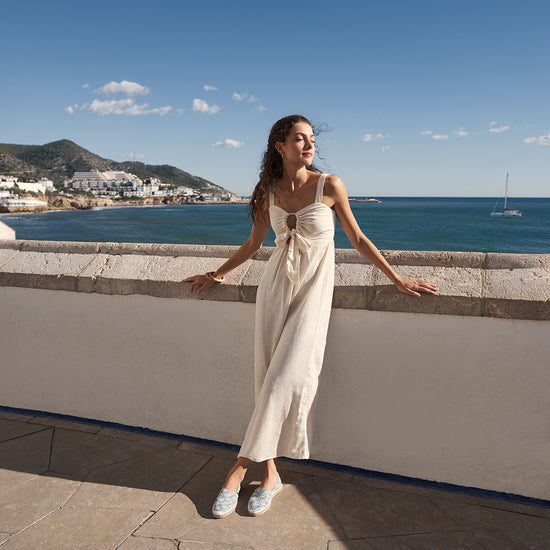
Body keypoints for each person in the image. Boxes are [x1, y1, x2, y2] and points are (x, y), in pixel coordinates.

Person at [185, 114, 438, 518]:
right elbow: (254, 243)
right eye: (299, 139)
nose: (308, 145)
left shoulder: (329, 184)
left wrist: (396, 278)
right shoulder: (266, 190)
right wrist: (217, 274)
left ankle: (236, 470)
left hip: (312, 294)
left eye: (311, 139)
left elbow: (356, 238)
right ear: (279, 147)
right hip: (274, 291)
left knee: (283, 379)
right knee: (267, 378)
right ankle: (271, 476)